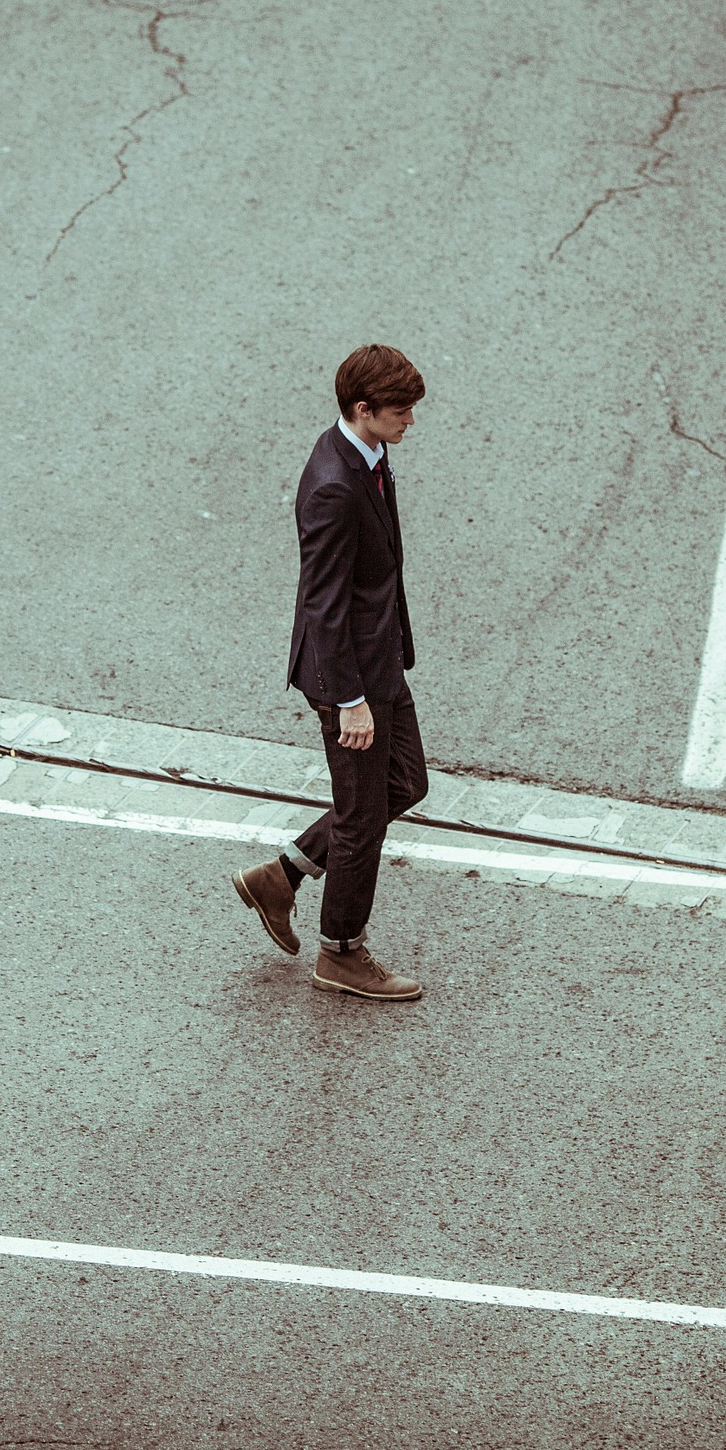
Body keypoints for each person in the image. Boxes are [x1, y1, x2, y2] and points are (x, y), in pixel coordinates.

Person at [233, 344, 429, 1000]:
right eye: (400, 412)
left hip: (378, 660)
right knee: (361, 821)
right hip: (350, 678)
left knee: (405, 783)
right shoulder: (333, 486)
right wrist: (349, 699)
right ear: (363, 409)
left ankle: (281, 875)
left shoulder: (366, 454)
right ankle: (341, 953)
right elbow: (322, 601)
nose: (410, 421)